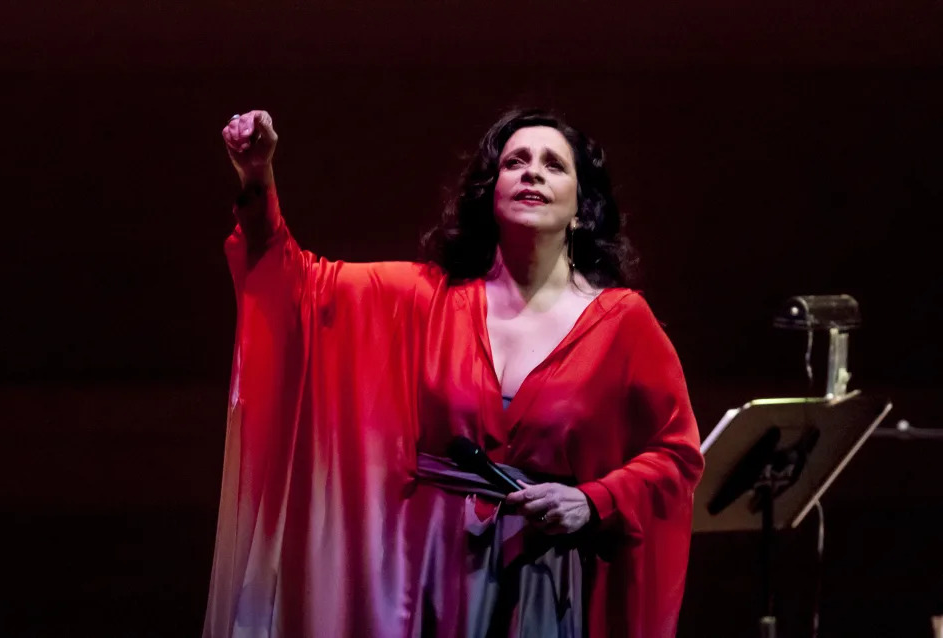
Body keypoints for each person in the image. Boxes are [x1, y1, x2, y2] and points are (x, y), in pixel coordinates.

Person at [203, 107, 704, 638]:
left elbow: (675, 455)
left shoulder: (624, 323)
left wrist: (591, 500)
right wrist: (258, 178)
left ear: (582, 210)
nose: (532, 172)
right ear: (491, 193)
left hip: (542, 580)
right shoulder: (427, 301)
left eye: (554, 165)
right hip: (432, 577)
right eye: (515, 162)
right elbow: (297, 290)